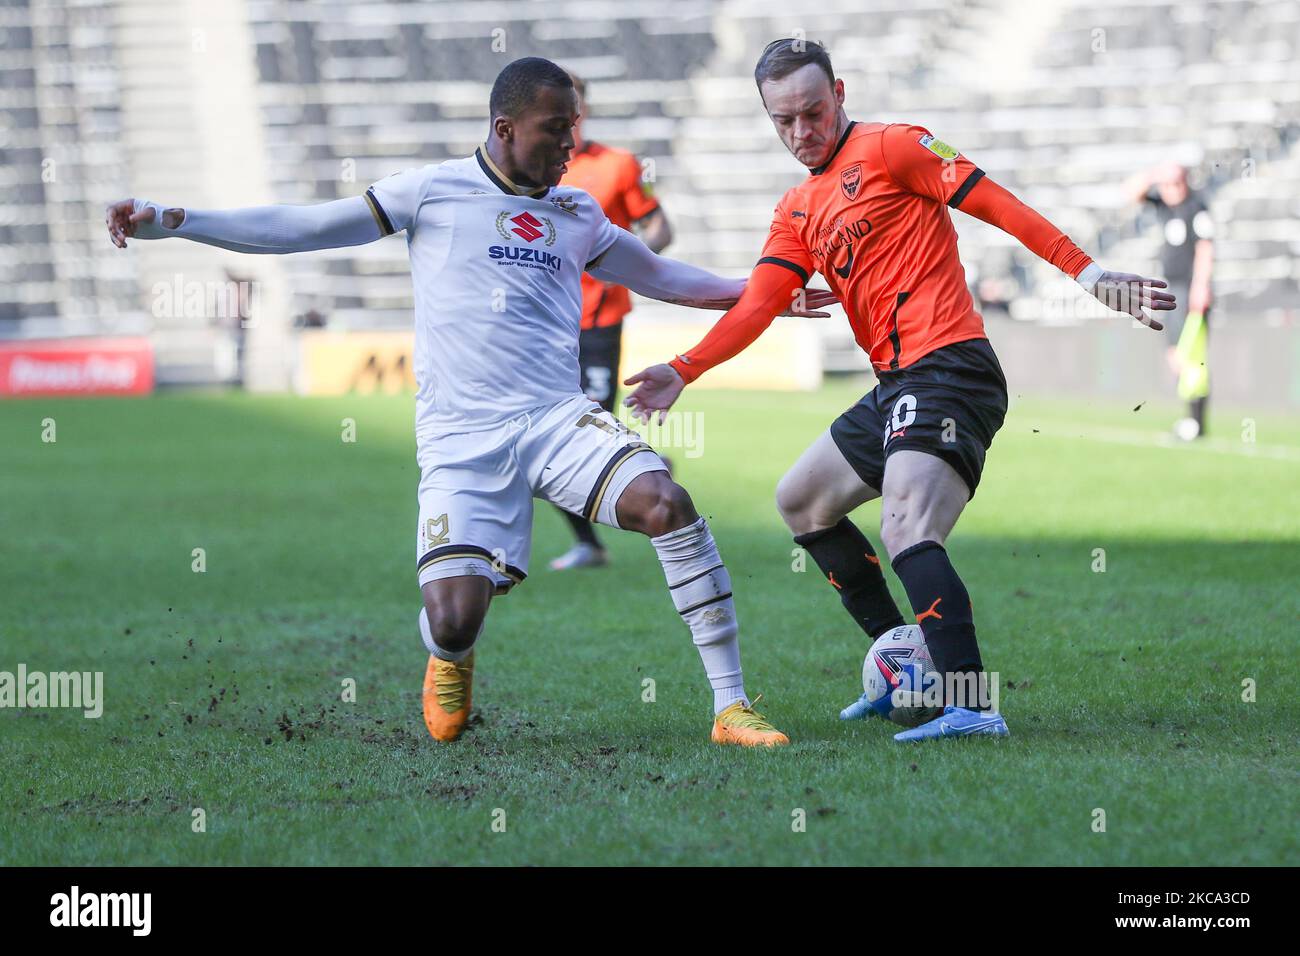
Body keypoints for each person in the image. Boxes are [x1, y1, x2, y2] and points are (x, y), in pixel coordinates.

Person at [106, 57, 836, 746]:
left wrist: (766, 296)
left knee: (666, 503)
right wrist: (179, 220)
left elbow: (664, 277)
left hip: (558, 418)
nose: (570, 145)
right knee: (454, 619)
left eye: (575, 128)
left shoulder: (577, 212)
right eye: (556, 130)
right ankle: (451, 657)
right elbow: (304, 229)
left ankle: (729, 705)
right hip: (461, 435)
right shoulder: (431, 191)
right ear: (505, 128)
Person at [624, 39, 1176, 742]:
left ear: (841, 94)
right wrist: (684, 367)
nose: (802, 132)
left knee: (907, 524)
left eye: (813, 112)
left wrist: (1090, 274)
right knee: (801, 501)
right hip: (899, 383)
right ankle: (905, 665)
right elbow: (759, 303)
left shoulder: (898, 147)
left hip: (951, 367)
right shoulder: (796, 209)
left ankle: (973, 705)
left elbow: (998, 204)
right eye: (783, 121)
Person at [549, 71, 674, 571]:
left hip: (599, 321)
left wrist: (632, 265)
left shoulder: (620, 167)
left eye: (573, 112)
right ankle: (589, 541)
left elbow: (660, 224)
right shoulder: (531, 171)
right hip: (545, 324)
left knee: (590, 424)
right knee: (549, 428)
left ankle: (646, 477)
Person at [1125, 162, 1215, 439]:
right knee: (1175, 355)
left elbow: (1205, 247)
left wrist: (1201, 286)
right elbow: (1130, 193)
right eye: (1166, 184)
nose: (1170, 189)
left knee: (1190, 356)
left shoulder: (1196, 207)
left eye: (1175, 183)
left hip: (1190, 289)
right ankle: (1192, 421)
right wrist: (1153, 174)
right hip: (1171, 289)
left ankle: (1195, 423)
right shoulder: (1164, 205)